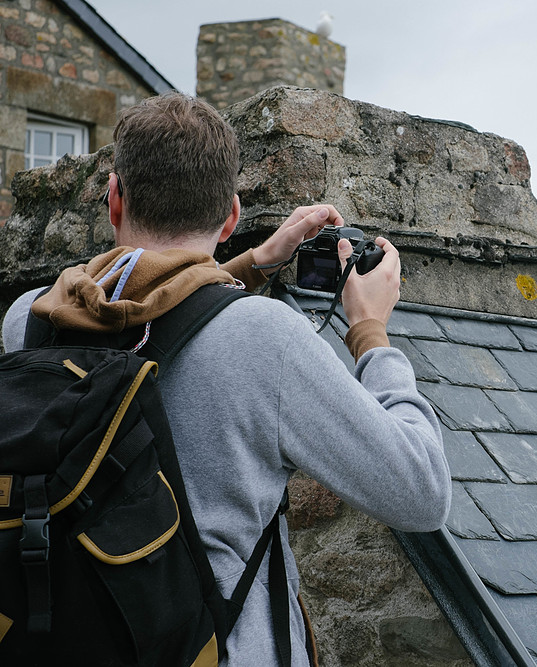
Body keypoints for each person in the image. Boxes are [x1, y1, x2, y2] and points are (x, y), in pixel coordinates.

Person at [1, 92, 451, 665]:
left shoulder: (31, 322)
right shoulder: (267, 339)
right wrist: (370, 332)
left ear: (113, 199)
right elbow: (421, 491)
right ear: (231, 215)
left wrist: (253, 265)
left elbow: (138, 316)